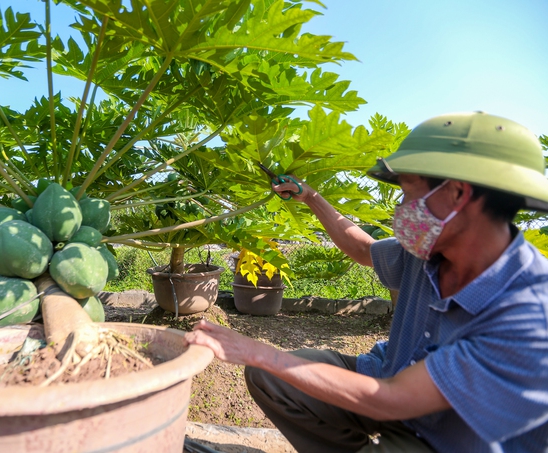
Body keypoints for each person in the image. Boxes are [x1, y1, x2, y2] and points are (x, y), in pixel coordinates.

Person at [185, 111, 548, 452]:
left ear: (457, 193)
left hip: (440, 438)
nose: (400, 207)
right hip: (387, 377)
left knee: (269, 364)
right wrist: (310, 196)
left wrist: (259, 351)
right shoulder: (429, 247)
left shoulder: (529, 316)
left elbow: (392, 399)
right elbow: (363, 249)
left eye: (408, 191)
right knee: (273, 379)